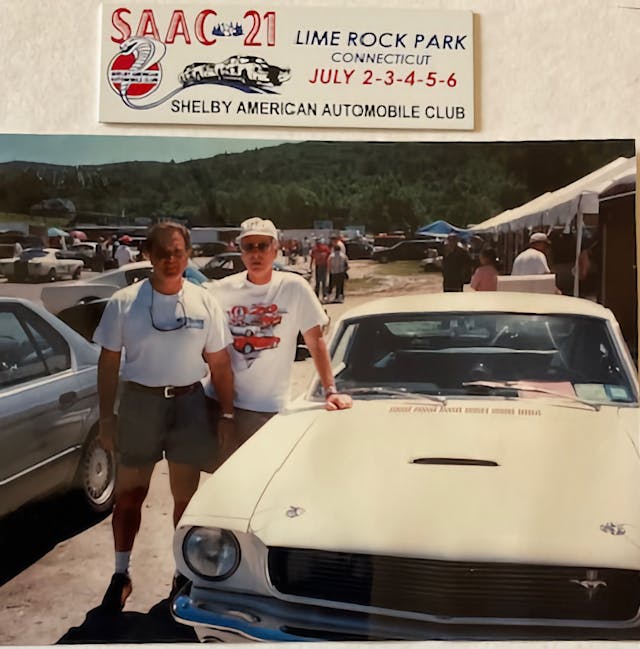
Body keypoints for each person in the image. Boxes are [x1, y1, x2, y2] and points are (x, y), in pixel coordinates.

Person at [93, 221, 234, 612]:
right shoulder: (124, 302)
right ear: (148, 256)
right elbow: (108, 363)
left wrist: (225, 412)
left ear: (188, 255)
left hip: (189, 404)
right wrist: (107, 419)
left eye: (178, 252)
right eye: (163, 253)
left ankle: (182, 575)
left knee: (185, 500)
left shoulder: (205, 301)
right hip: (140, 404)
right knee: (129, 497)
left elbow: (220, 364)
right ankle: (121, 574)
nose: (171, 260)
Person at [207, 217, 352, 464]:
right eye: (248, 247)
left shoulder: (294, 287)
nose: (256, 254)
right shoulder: (221, 290)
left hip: (269, 408)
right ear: (240, 251)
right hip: (221, 404)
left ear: (275, 249)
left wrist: (330, 391)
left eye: (262, 246)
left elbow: (315, 341)